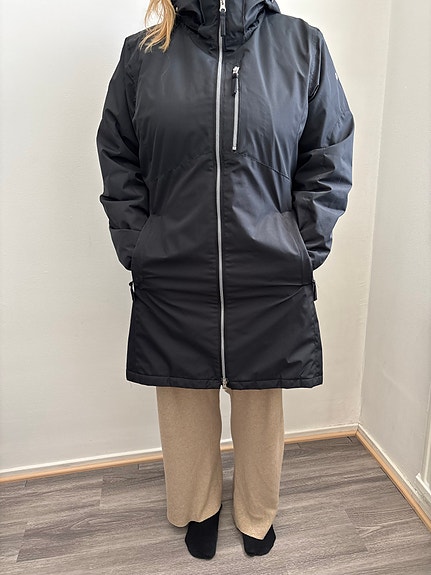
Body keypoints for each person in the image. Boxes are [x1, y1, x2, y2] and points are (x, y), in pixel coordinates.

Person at [95, 0, 354, 560]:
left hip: (267, 264)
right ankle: (198, 508)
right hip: (174, 263)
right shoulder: (145, 54)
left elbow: (329, 153)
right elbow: (118, 156)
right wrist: (140, 244)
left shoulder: (301, 45)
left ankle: (257, 513)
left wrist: (301, 245)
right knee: (182, 392)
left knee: (261, 394)